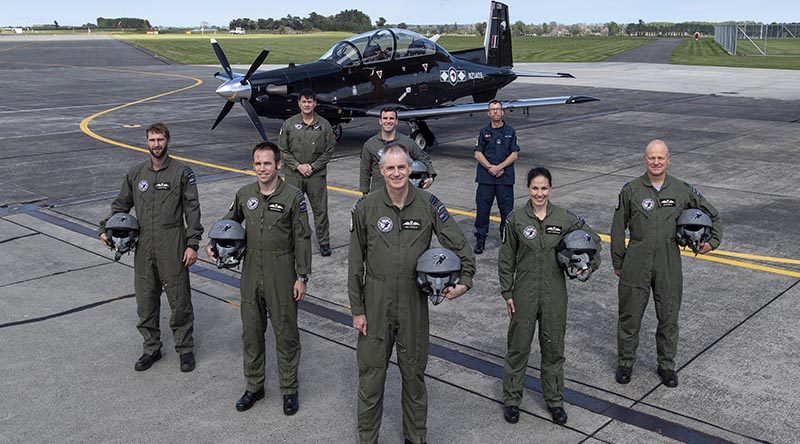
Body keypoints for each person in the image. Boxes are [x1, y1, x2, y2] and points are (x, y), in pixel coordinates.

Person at [348, 143, 475, 444]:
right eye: (390, 168)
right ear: (381, 171)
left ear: (410, 169)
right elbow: (355, 262)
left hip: (413, 301)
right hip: (375, 300)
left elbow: (459, 245)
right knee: (371, 379)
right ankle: (368, 438)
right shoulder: (366, 207)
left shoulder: (429, 204)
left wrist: (465, 279)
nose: (396, 173)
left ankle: (415, 438)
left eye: (401, 167)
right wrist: (357, 309)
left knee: (414, 377)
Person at [207, 142, 311, 414]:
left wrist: (302, 276)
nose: (262, 168)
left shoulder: (293, 197)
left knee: (286, 333)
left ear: (278, 165)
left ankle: (289, 389)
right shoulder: (244, 194)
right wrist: (214, 242)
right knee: (252, 333)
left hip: (282, 268)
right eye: (257, 163)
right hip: (251, 269)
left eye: (267, 163)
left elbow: (302, 237)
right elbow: (228, 222)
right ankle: (254, 386)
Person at [611, 139, 722, 387]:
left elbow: (712, 214)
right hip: (636, 259)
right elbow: (618, 228)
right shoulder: (631, 190)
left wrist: (712, 242)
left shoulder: (682, 190)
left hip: (669, 260)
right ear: (645, 160)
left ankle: (667, 365)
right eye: (652, 157)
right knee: (629, 316)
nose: (656, 162)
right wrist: (618, 261)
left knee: (669, 316)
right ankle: (626, 363)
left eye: (661, 157)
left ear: (669, 160)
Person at [498, 167, 601, 426]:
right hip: (523, 292)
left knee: (554, 350)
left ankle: (555, 401)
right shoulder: (516, 219)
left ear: (550, 189)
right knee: (518, 348)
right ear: (528, 189)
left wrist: (588, 265)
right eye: (535, 188)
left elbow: (594, 241)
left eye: (544, 188)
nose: (539, 193)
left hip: (555, 293)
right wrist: (507, 292)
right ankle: (512, 400)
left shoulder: (564, 218)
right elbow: (506, 258)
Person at [99, 122, 203, 373]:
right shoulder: (136, 174)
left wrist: (192, 244)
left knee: (179, 300)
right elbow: (120, 206)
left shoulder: (181, 172)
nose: (156, 144)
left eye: (160, 139)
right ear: (147, 142)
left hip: (173, 242)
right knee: (146, 300)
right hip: (144, 245)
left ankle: (185, 349)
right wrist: (105, 229)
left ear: (168, 140)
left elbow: (193, 210)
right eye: (152, 140)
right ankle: (151, 348)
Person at [279, 88, 336, 257]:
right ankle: (291, 241)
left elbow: (329, 150)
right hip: (294, 175)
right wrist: (298, 166)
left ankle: (324, 242)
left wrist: (313, 167)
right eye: (304, 101)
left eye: (310, 101)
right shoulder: (289, 124)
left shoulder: (324, 125)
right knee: (291, 210)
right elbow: (283, 149)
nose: (307, 105)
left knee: (320, 211)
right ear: (299, 103)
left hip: (315, 176)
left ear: (315, 103)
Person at [473, 100, 519, 255]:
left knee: (507, 211)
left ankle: (506, 240)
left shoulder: (510, 131)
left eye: (498, 109)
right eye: (492, 110)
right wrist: (490, 168)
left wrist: (499, 168)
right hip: (486, 179)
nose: (495, 112)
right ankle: (480, 239)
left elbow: (514, 154)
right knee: (482, 210)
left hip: (504, 178)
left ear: (502, 112)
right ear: (488, 113)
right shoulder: (483, 132)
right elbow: (478, 153)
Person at [359, 107, 436, 194]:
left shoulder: (407, 142)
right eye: (385, 118)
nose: (388, 121)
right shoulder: (370, 144)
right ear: (380, 121)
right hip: (379, 193)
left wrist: (431, 177)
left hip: (402, 194)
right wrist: (364, 193)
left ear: (396, 121)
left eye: (391, 118)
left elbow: (423, 158)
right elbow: (365, 171)